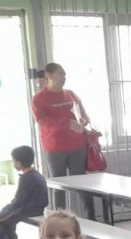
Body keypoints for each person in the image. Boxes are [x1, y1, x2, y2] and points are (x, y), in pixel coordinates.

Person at [31, 63, 95, 219]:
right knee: (58, 186)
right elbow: (42, 121)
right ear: (49, 76)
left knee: (82, 184)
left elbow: (84, 115)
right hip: (55, 148)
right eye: (60, 74)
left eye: (64, 74)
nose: (63, 78)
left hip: (77, 146)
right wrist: (66, 123)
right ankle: (59, 220)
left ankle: (92, 218)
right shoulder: (39, 99)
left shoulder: (71, 94)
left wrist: (83, 122)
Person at [0, 145, 49, 239]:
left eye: (13, 161)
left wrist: (10, 207)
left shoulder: (26, 178)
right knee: (6, 215)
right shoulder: (36, 174)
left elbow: (19, 200)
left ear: (19, 163)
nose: (13, 163)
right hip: (35, 208)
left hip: (28, 210)